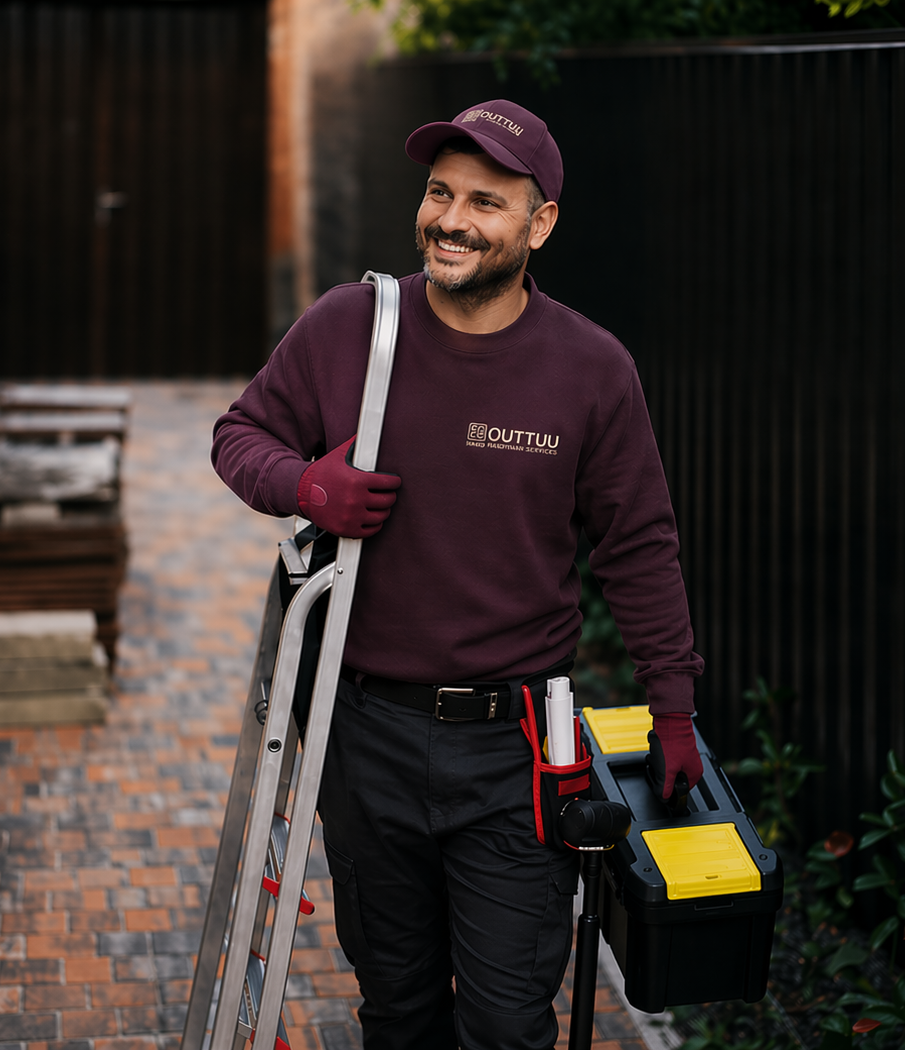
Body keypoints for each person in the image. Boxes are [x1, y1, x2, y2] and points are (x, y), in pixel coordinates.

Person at [211, 99, 705, 1050]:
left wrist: (672, 707)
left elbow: (639, 545)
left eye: (486, 201)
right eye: (440, 192)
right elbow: (240, 435)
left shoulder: (591, 370)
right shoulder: (352, 325)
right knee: (397, 1011)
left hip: (515, 754)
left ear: (540, 224)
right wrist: (305, 484)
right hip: (363, 738)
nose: (451, 218)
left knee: (508, 1023)